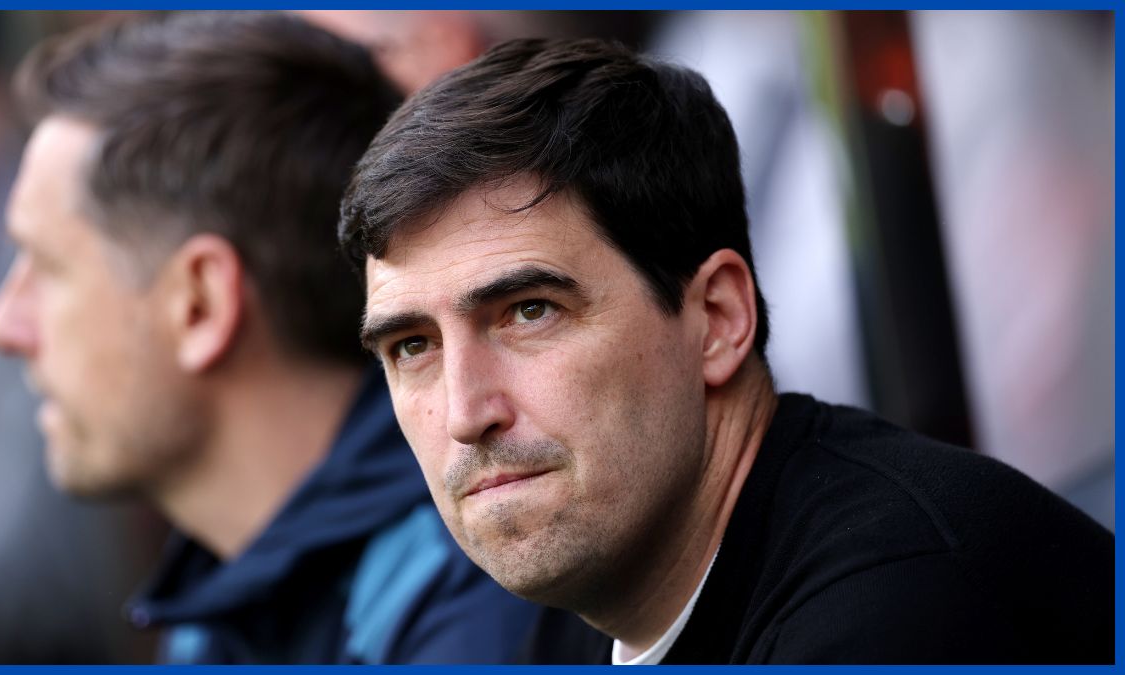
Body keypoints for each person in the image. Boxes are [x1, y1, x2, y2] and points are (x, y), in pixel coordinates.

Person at [338, 38, 1114, 664]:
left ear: (718, 318)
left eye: (528, 311)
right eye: (411, 346)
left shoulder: (900, 607)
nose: (467, 412)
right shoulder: (579, 610)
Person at [0, 11, 539, 664]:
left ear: (200, 303)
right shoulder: (223, 606)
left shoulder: (469, 608)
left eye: (46, 266)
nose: (3, 326)